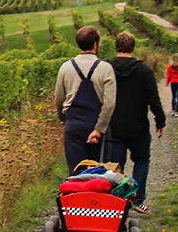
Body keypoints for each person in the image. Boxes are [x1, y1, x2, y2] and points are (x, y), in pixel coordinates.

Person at [107, 32, 166, 212]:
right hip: (138, 125)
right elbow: (153, 99)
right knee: (141, 160)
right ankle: (138, 199)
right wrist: (160, 121)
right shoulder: (144, 70)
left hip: (113, 125)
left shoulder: (106, 68)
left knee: (116, 166)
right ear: (133, 47)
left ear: (116, 46)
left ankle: (118, 201)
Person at [54, 26, 117, 175]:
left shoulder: (65, 67)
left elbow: (59, 99)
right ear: (95, 45)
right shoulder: (105, 68)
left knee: (76, 175)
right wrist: (99, 129)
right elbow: (109, 104)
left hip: (74, 125)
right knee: (99, 176)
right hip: (96, 125)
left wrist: (64, 119)